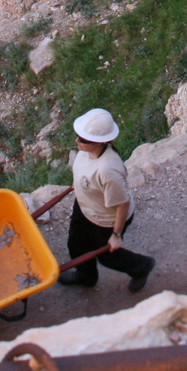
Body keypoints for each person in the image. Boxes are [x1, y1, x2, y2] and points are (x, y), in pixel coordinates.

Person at [58, 109, 155, 293]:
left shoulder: (108, 171)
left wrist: (116, 235)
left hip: (106, 219)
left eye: (83, 139)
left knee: (108, 257)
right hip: (85, 207)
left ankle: (142, 266)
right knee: (76, 244)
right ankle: (86, 277)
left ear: (100, 142)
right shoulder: (86, 150)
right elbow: (84, 169)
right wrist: (78, 183)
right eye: (78, 136)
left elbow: (122, 204)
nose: (77, 141)